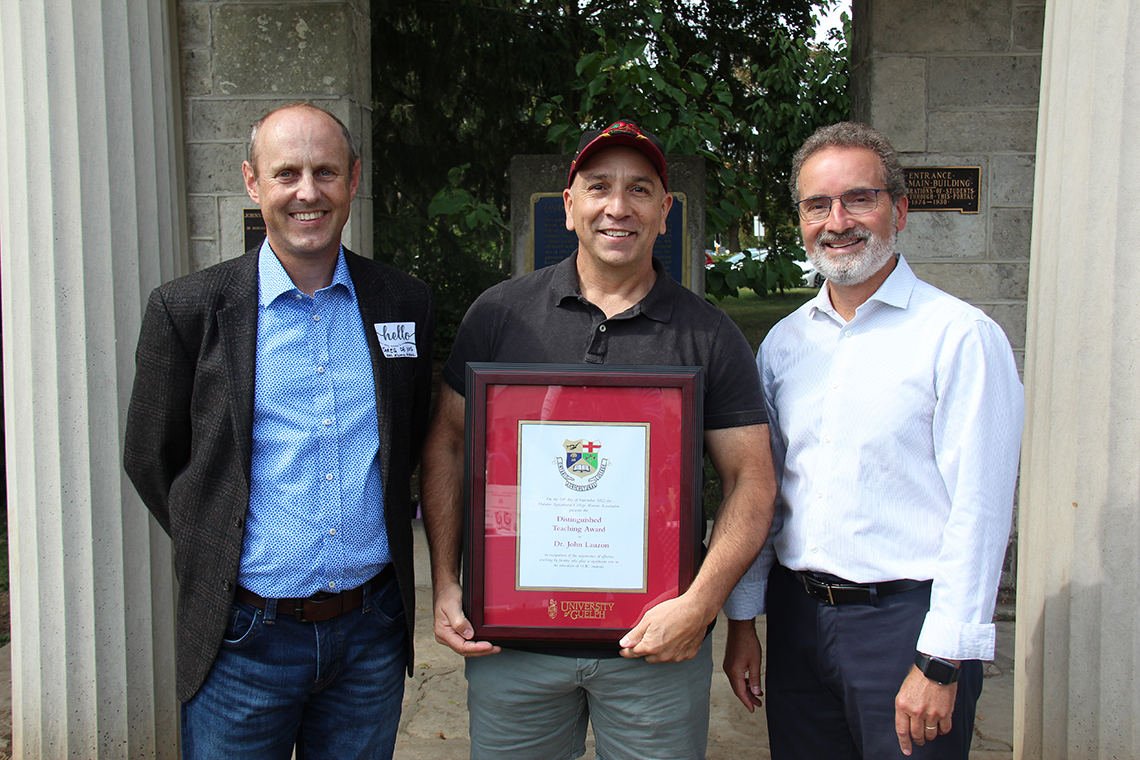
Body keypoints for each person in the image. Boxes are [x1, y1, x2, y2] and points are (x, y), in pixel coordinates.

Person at [421, 119, 777, 760]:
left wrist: (700, 605)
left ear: (665, 212)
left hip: (656, 651)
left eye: (640, 190)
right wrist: (446, 581)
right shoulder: (499, 315)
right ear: (570, 205)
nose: (619, 206)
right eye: (598, 187)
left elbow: (751, 478)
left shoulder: (710, 334)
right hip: (514, 645)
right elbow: (447, 444)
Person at [123, 102, 433, 759]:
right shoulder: (187, 310)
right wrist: (215, 535)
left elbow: (410, 434)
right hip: (243, 637)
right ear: (252, 182)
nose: (307, 192)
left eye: (325, 172)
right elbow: (152, 456)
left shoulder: (403, 302)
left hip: (370, 634)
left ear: (354, 179)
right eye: (286, 172)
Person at [721, 122, 1024, 759]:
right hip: (799, 621)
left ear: (900, 210)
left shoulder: (960, 338)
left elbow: (981, 511)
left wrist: (942, 660)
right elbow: (765, 489)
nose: (837, 221)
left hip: (906, 627)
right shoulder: (784, 344)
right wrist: (744, 621)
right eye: (817, 205)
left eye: (859, 198)